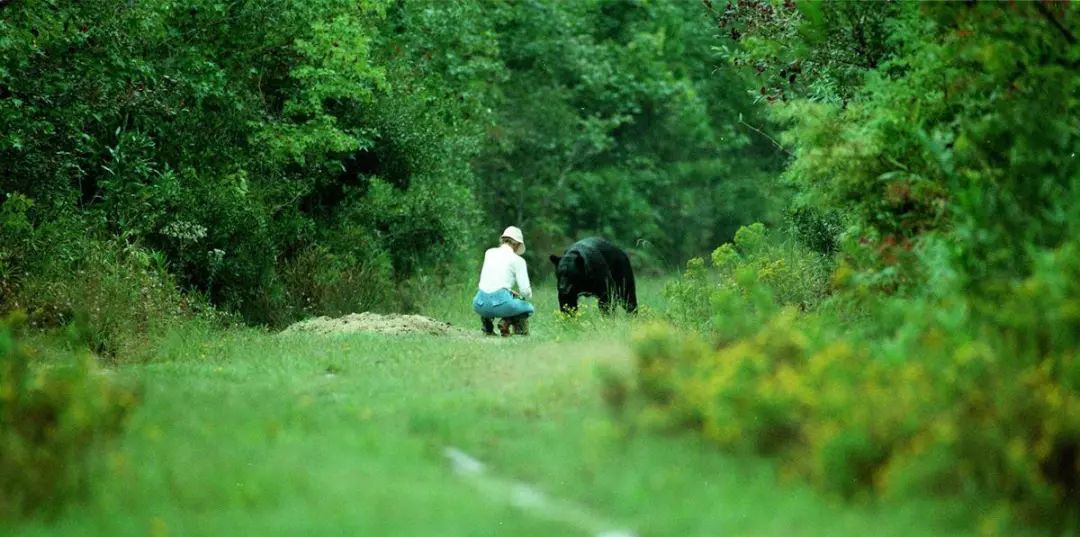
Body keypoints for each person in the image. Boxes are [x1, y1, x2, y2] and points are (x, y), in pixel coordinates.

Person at [473, 226, 534, 336]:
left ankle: (487, 327)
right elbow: (525, 291)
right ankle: (506, 322)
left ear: (503, 240)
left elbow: (493, 281)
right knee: (528, 308)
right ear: (517, 244)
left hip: (479, 303)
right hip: (501, 304)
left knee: (490, 298)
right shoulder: (518, 261)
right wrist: (525, 296)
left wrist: (508, 291)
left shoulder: (489, 253)